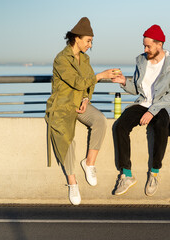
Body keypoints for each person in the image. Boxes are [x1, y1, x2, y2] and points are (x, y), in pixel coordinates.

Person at [45, 17, 118, 205]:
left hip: (79, 104)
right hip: (62, 106)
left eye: (91, 41)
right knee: (66, 138)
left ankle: (89, 163)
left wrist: (86, 99)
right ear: (76, 38)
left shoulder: (84, 59)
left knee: (100, 120)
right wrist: (101, 76)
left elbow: (87, 85)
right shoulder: (61, 59)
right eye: (88, 40)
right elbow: (77, 82)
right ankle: (72, 182)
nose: (90, 45)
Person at [112, 24, 170, 196]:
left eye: (148, 46)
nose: (145, 49)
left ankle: (154, 172)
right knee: (120, 125)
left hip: (164, 105)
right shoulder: (141, 60)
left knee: (162, 124)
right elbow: (137, 89)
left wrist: (153, 111)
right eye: (144, 45)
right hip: (144, 103)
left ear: (159, 44)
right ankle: (127, 175)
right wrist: (124, 82)